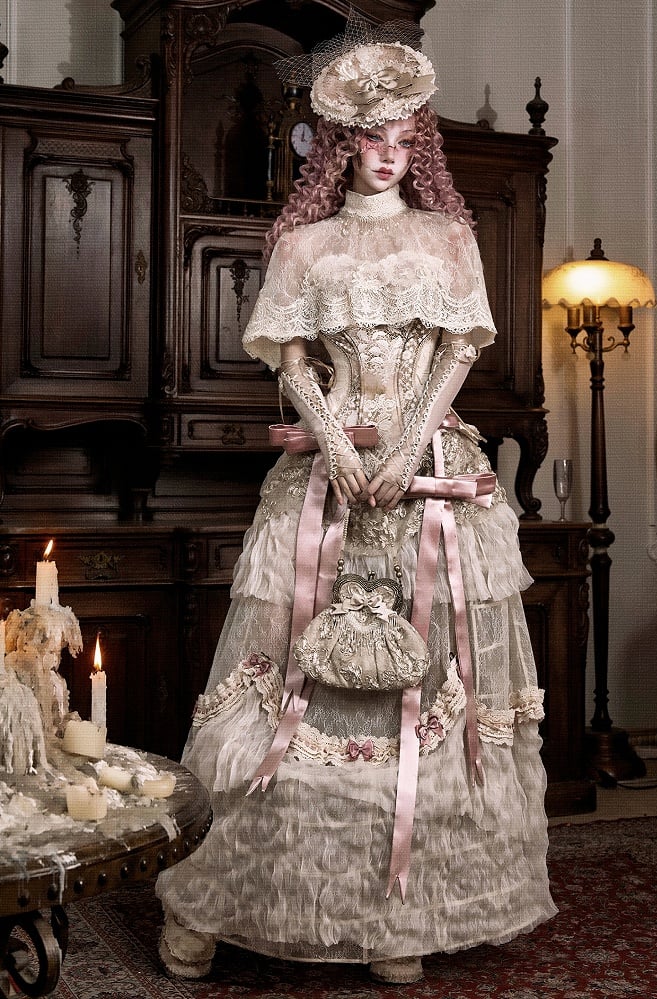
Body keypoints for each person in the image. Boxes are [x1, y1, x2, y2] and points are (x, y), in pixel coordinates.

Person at [156, 14, 557, 986]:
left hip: (432, 471)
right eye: (369, 138)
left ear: (418, 146)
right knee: (290, 675)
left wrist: (412, 440)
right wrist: (339, 445)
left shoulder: (449, 237)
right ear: (340, 145)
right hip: (327, 479)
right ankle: (221, 899)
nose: (386, 155)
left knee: (436, 680)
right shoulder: (305, 246)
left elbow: (459, 350)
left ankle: (401, 913)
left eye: (402, 140)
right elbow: (292, 364)